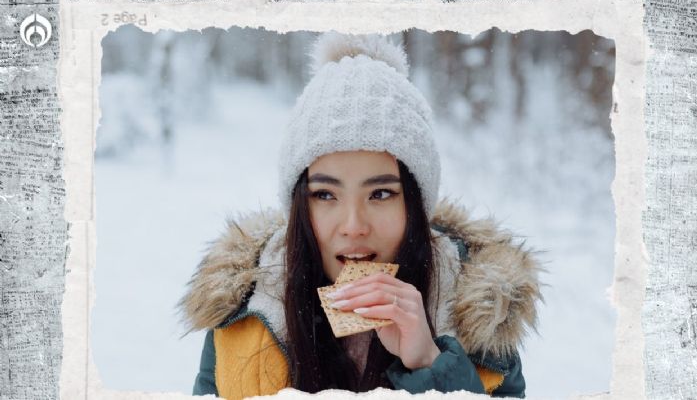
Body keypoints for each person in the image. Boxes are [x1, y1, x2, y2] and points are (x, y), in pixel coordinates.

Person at [180, 33, 542, 399]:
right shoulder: (245, 312)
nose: (353, 226)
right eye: (324, 195)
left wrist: (432, 366)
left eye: (381, 193)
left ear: (415, 206)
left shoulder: (481, 320)